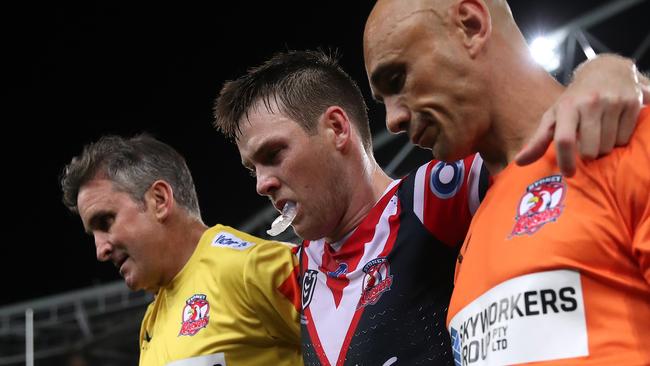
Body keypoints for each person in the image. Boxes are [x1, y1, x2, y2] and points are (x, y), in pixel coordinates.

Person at [213, 48, 644, 365]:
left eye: (273, 154)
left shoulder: (433, 198)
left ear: (336, 129)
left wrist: (604, 72)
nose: (262, 183)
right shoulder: (293, 269)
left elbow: (533, 137)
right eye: (252, 168)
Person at [363, 0, 649, 365]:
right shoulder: (473, 228)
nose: (392, 120)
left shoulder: (625, 141)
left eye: (397, 79)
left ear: (471, 25)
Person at [60, 134, 302, 366]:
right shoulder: (151, 322)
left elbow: (340, 342)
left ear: (160, 200)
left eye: (105, 222)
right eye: (94, 235)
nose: (100, 250)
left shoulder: (254, 267)